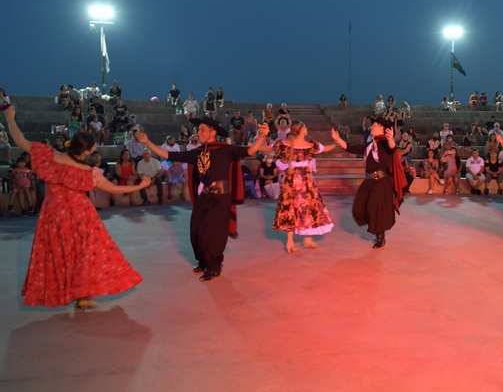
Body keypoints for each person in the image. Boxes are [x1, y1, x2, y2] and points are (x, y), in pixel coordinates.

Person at [3, 104, 149, 308]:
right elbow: (114, 190)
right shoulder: (89, 171)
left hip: (53, 215)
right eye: (93, 148)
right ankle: (81, 296)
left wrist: (9, 118)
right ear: (86, 151)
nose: (95, 150)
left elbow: (20, 140)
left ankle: (78, 296)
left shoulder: (51, 156)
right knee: (85, 253)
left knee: (60, 254)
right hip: (81, 216)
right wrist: (141, 185)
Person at [136, 117, 269, 281]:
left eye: (202, 129)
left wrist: (262, 136)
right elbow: (169, 154)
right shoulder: (197, 152)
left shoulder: (226, 150)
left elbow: (250, 150)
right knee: (197, 230)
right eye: (198, 129)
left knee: (214, 233)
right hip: (203, 197)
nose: (199, 132)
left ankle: (214, 266)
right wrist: (147, 142)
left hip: (220, 197)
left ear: (213, 132)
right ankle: (203, 261)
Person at [330, 118, 407, 248]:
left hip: (382, 182)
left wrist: (390, 139)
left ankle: (380, 236)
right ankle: (376, 228)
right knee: (360, 205)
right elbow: (351, 148)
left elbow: (392, 150)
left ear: (382, 128)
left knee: (375, 207)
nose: (371, 127)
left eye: (375, 125)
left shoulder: (384, 143)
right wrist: (337, 139)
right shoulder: (370, 145)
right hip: (369, 180)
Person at [273, 122, 336, 253]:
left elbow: (326, 148)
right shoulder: (286, 144)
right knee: (291, 208)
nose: (307, 128)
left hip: (304, 184)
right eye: (305, 127)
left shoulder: (310, 145)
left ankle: (307, 239)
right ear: (301, 130)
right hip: (296, 183)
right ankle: (290, 241)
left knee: (306, 208)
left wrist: (338, 142)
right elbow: (272, 153)